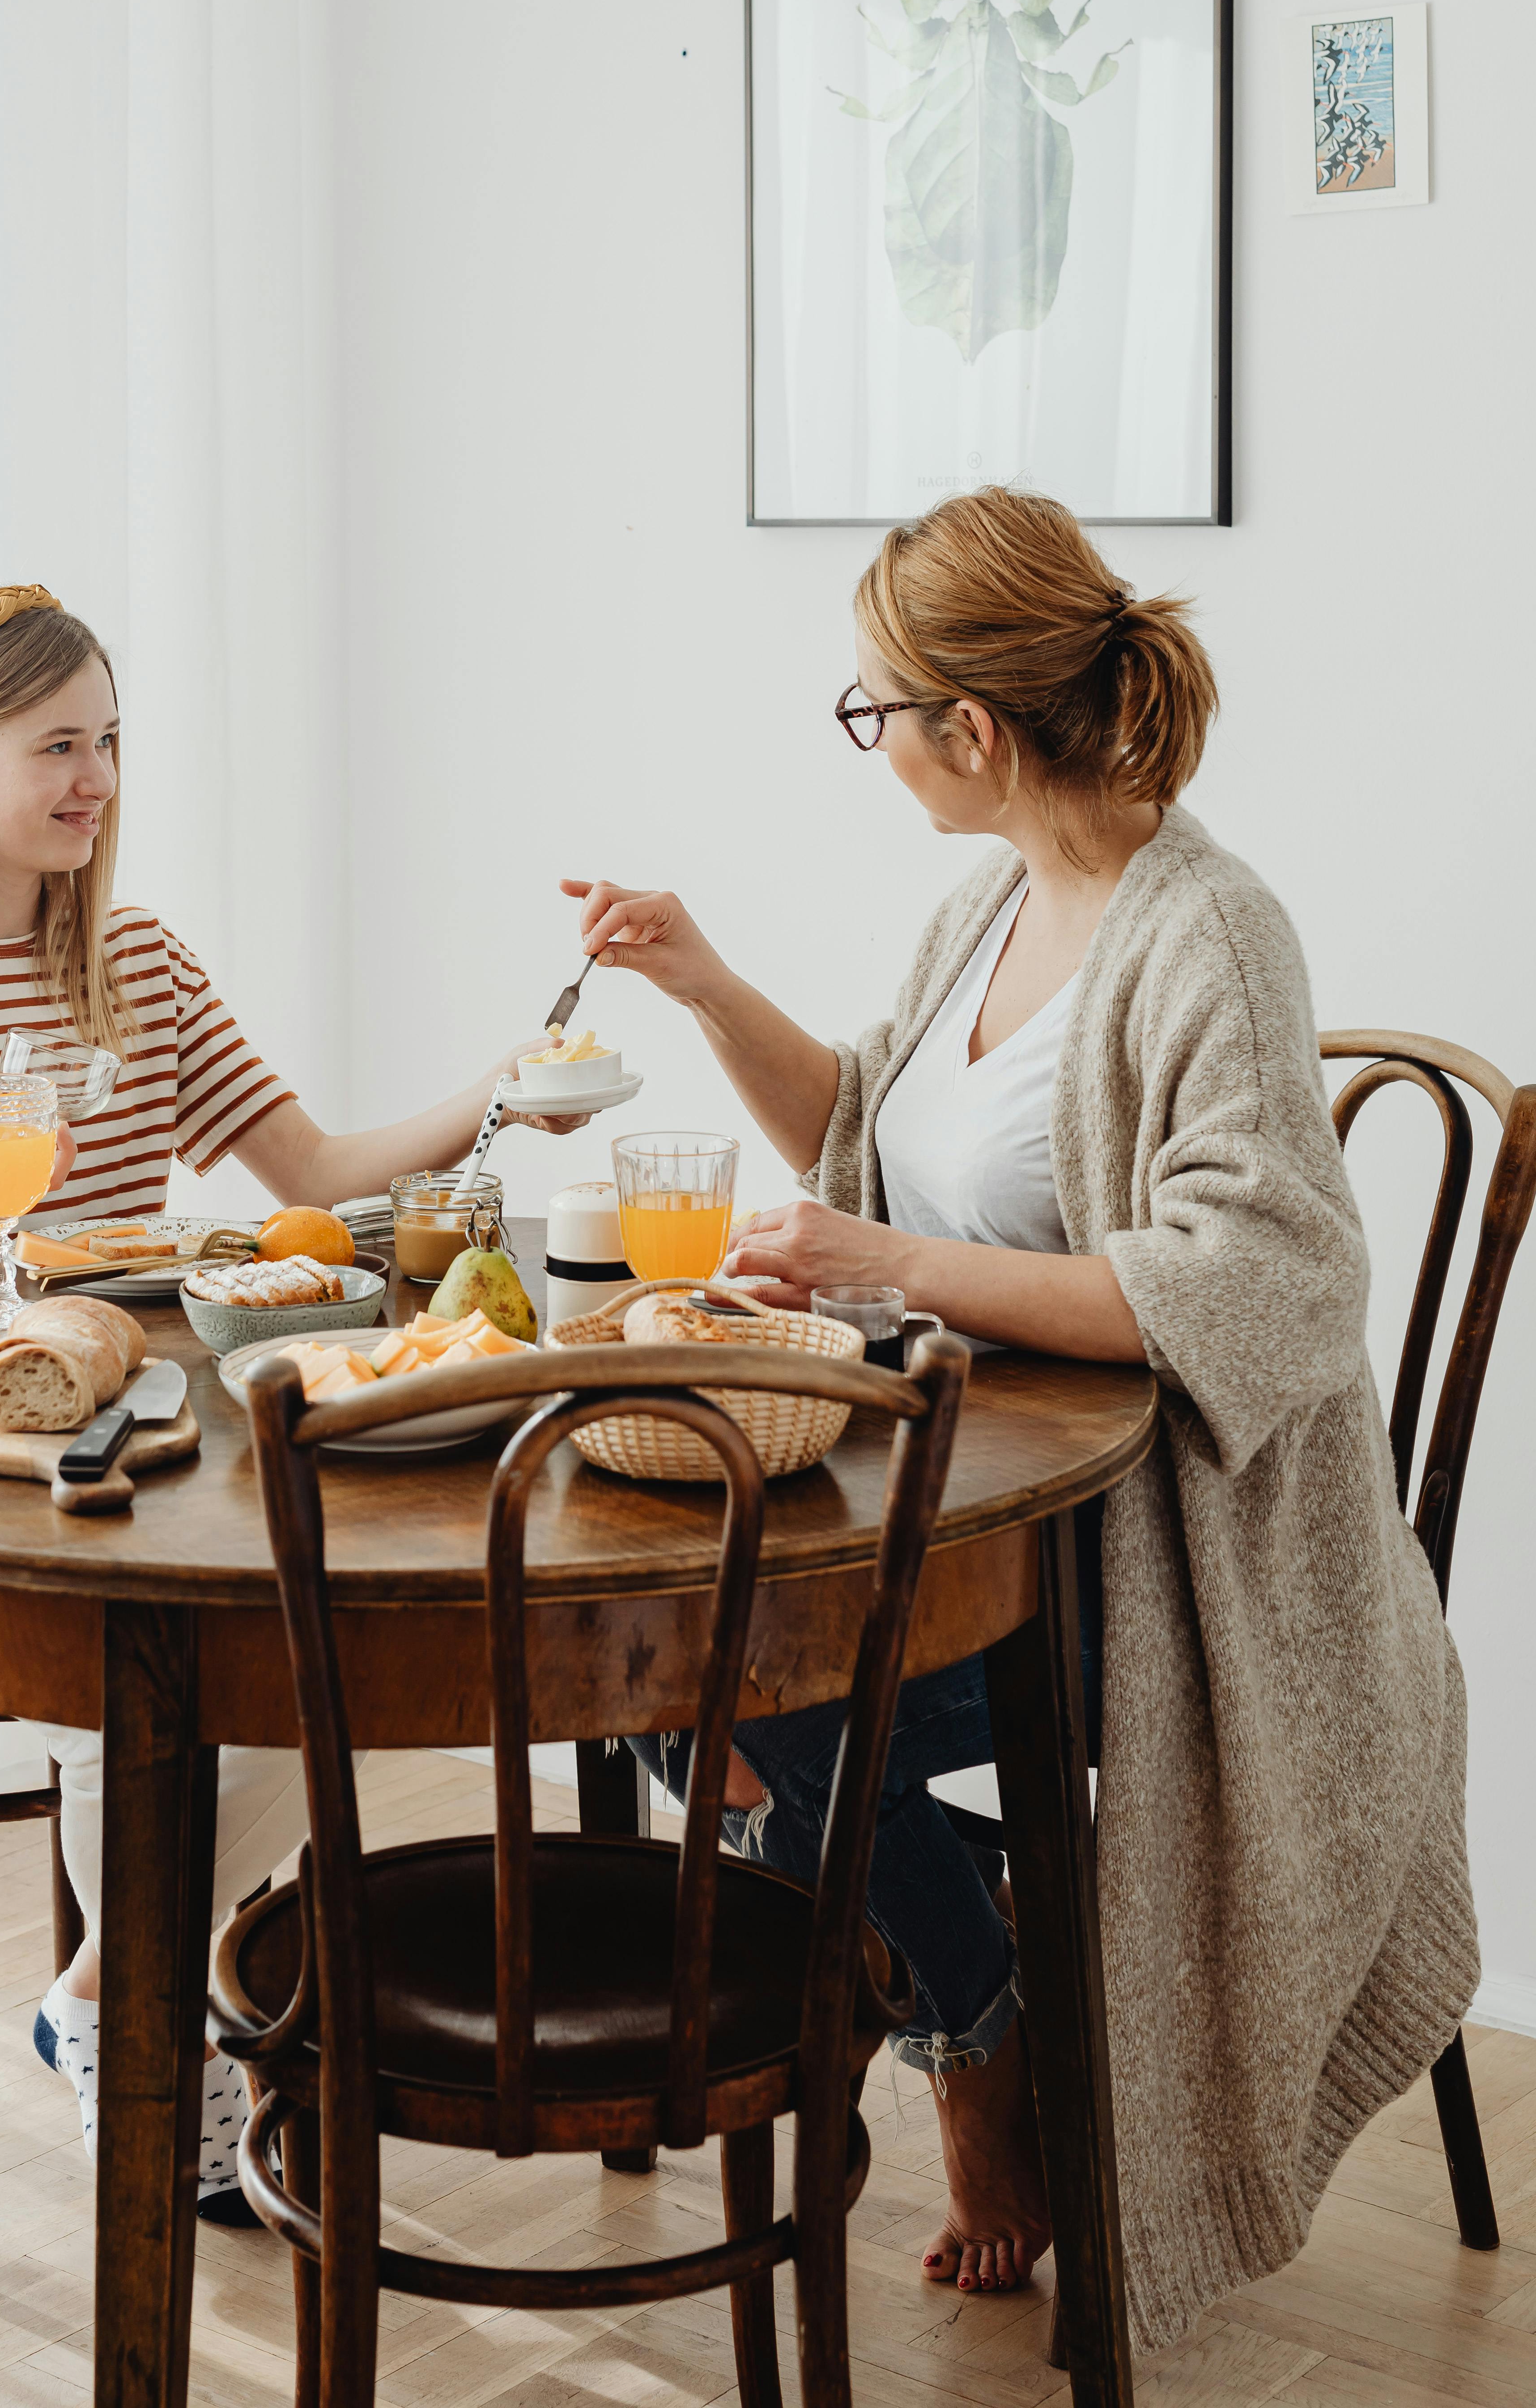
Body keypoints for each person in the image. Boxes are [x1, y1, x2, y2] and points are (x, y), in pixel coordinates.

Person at [565, 488, 1477, 2351]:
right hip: (962, 1497)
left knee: (774, 1691)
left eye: (871, 711)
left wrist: (881, 1262)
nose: (869, 743)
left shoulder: (1206, 936)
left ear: (970, 731)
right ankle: (968, 1968)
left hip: (1144, 1548)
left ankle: (965, 2048)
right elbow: (861, 1144)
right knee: (671, 1666)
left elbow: (1261, 1279)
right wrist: (703, 977)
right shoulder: (993, 896)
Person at [0, 581, 574, 2218]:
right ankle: (167, 2021)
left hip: (136, 1442)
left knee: (278, 1639)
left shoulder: (132, 961)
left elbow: (314, 1171)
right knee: (167, 1676)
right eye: (57, 746)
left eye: (111, 742)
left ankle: (116, 1999)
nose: (96, 780)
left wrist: (497, 1095)